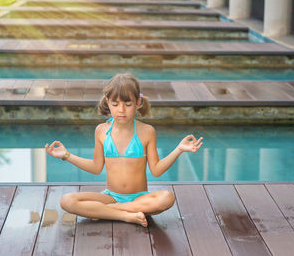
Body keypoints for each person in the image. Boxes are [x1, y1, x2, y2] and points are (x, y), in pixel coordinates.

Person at [45, 73, 203, 227]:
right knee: (67, 200)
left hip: (140, 199)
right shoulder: (101, 131)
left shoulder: (147, 131)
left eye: (127, 105)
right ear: (108, 102)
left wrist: (179, 149)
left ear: (138, 102)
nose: (121, 110)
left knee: (167, 198)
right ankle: (125, 216)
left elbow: (156, 170)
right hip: (111, 197)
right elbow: (96, 167)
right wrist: (66, 155)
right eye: (115, 104)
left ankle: (102, 212)